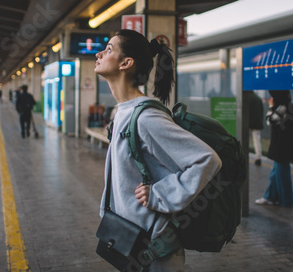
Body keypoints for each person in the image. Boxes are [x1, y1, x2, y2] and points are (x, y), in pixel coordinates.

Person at [95, 29, 222, 271]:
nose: (99, 54)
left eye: (109, 49)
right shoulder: (123, 111)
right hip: (131, 239)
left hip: (155, 249)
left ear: (126, 63)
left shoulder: (146, 117)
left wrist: (159, 194)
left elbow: (207, 160)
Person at [255, 90, 293, 207]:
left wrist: (270, 106)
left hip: (282, 147)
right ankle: (270, 197)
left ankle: (286, 201)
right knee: (275, 173)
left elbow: (270, 121)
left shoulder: (283, 108)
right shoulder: (288, 106)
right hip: (284, 146)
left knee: (282, 174)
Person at [249, 91, 264, 165]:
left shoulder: (246, 98)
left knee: (243, 138)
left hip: (247, 123)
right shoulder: (258, 98)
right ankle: (258, 157)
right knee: (256, 140)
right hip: (257, 122)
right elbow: (261, 111)